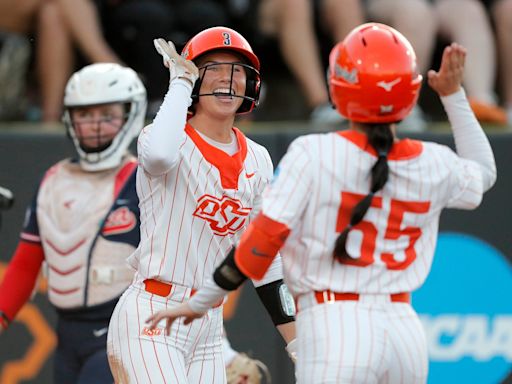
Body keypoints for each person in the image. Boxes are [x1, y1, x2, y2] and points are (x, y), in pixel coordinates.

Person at [146, 23, 497, 383]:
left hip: (335, 324)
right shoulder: (432, 160)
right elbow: (484, 174)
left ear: (339, 85)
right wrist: (454, 96)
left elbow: (260, 244)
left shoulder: (313, 153)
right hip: (405, 330)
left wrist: (201, 301)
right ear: (410, 90)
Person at [106, 26, 296, 383]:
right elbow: (160, 157)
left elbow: (265, 258)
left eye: (237, 70)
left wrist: (297, 343)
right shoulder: (161, 137)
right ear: (192, 79)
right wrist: (178, 83)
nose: (228, 79)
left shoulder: (259, 158)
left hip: (208, 324)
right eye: (214, 69)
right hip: (152, 311)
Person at [0, 63, 147, 383]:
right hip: (66, 335)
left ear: (130, 115)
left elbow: (180, 268)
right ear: (70, 118)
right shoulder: (53, 180)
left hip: (122, 331)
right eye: (84, 115)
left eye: (106, 114)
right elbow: (26, 264)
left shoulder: (145, 182)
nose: (94, 125)